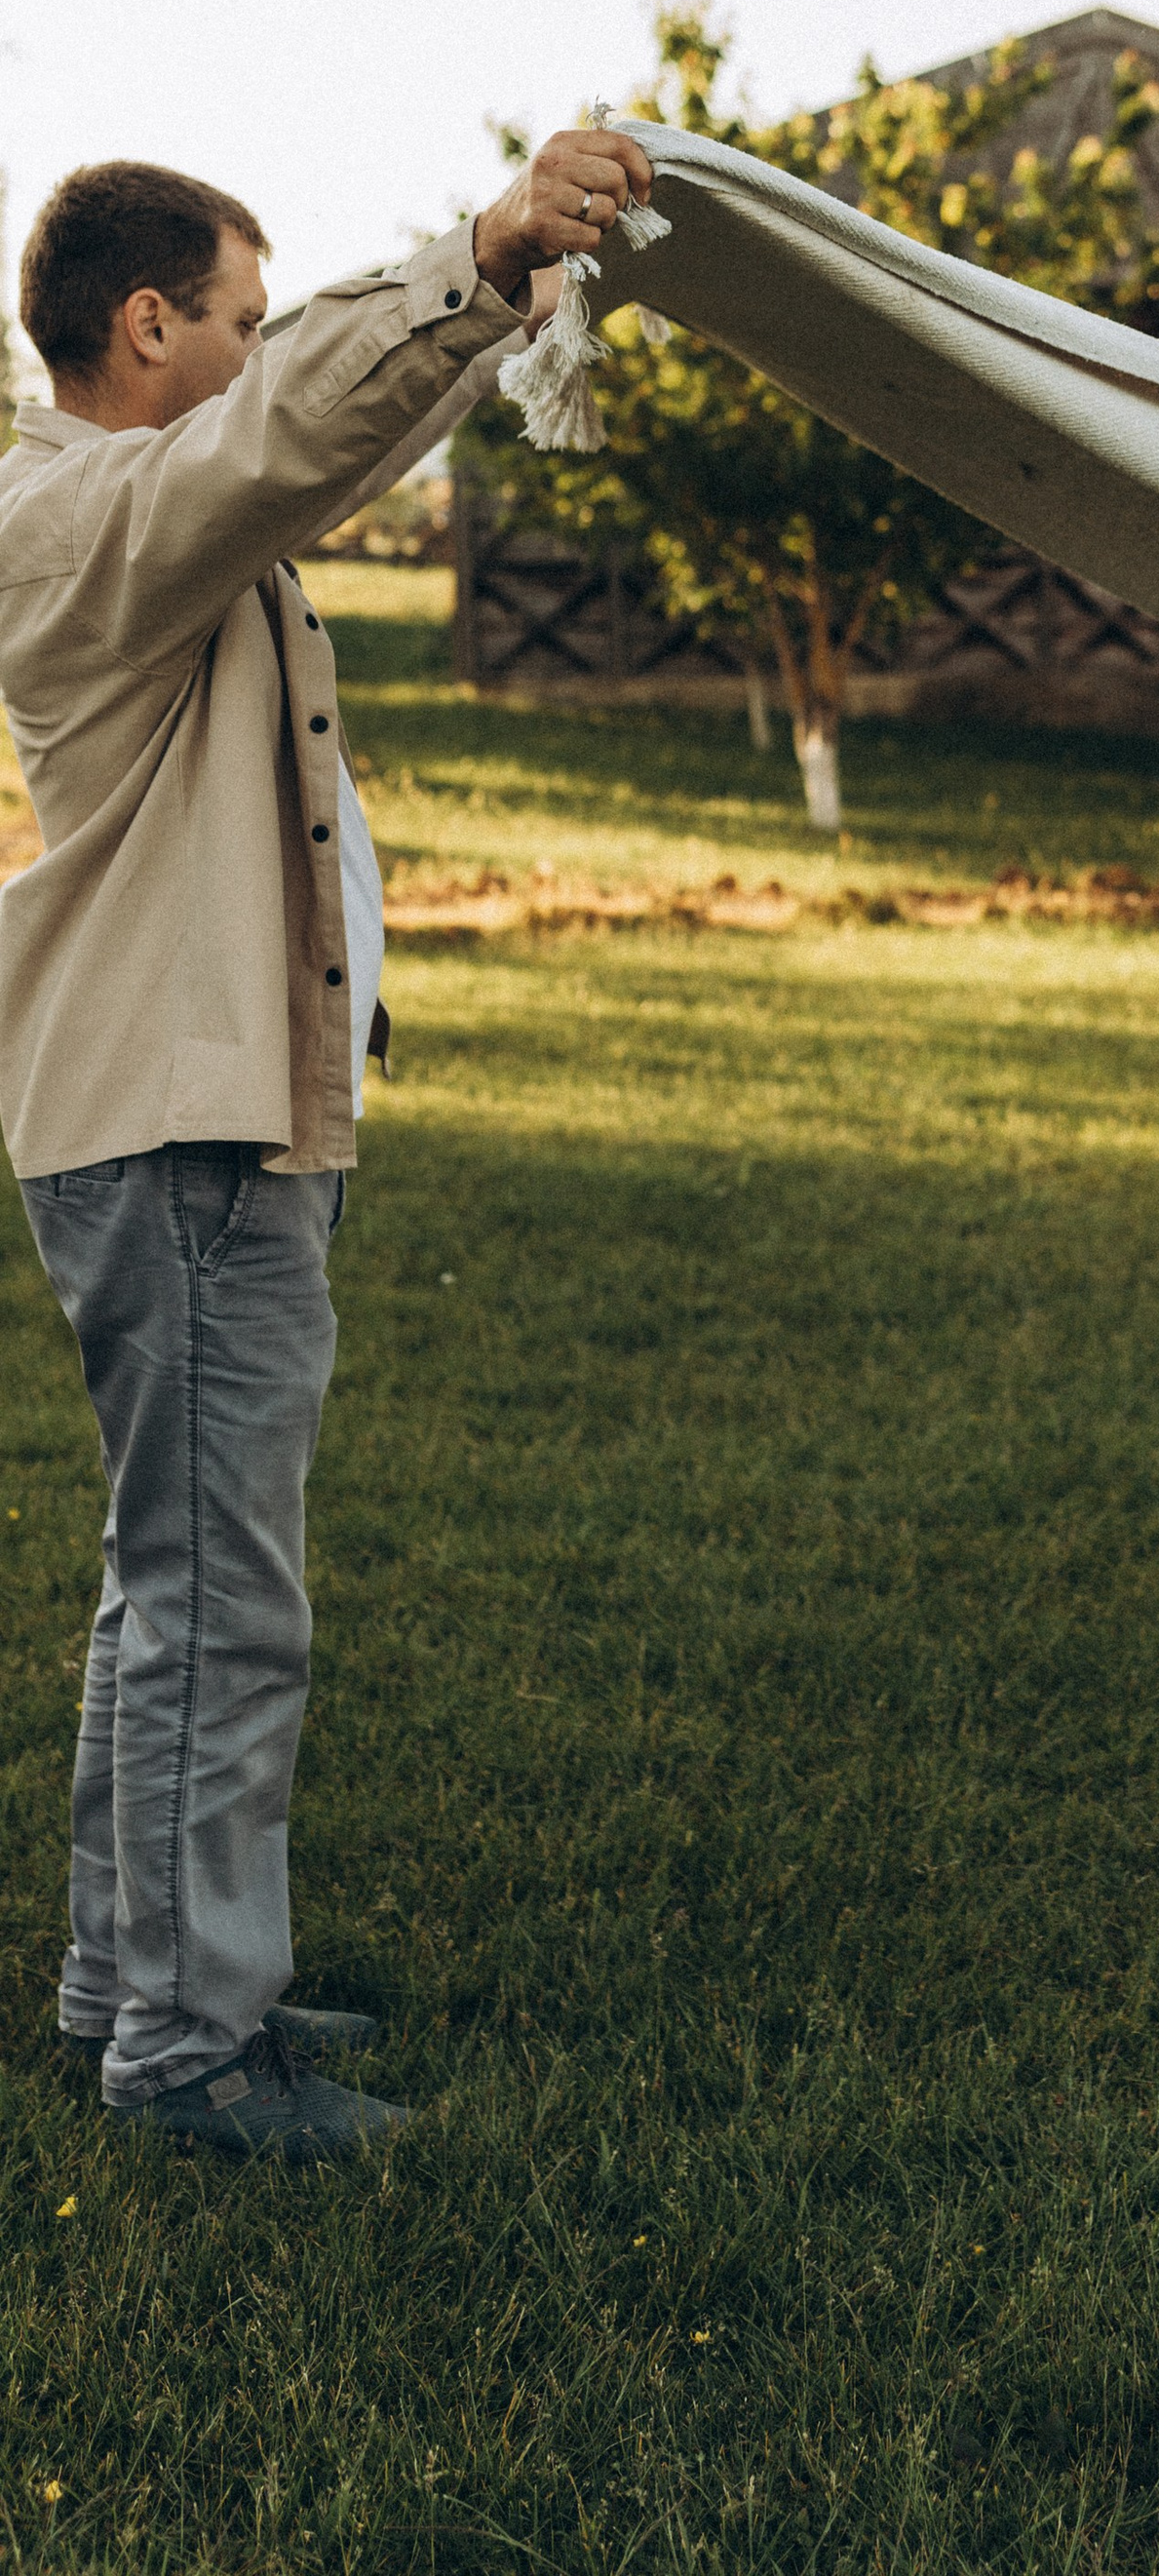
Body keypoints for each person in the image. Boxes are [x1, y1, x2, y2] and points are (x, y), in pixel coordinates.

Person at [0, 125, 651, 2161]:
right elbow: (279, 444)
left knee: (168, 1581)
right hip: (174, 1134)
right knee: (221, 1600)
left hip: (205, 1116)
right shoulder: (78, 511)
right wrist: (467, 256)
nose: (264, 357)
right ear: (146, 325)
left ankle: (138, 1984)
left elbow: (313, 450)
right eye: (242, 323)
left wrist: (485, 322)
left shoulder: (165, 515)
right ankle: (193, 2056)